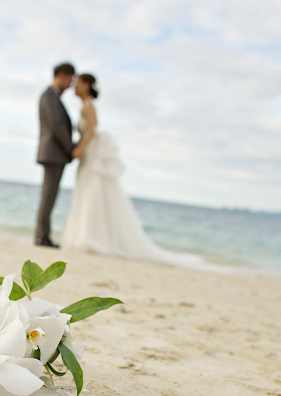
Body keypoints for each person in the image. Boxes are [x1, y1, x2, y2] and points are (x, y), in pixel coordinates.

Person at [61, 73, 190, 264]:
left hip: (90, 156)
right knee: (86, 194)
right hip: (88, 157)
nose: (74, 87)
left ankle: (88, 237)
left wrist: (78, 149)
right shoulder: (85, 106)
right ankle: (83, 236)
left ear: (87, 85)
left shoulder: (89, 106)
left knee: (91, 194)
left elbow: (92, 131)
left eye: (77, 83)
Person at [35, 62, 76, 248]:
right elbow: (57, 126)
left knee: (49, 194)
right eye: (70, 80)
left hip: (54, 153)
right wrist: (71, 148)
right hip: (53, 153)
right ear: (61, 75)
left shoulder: (53, 97)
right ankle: (42, 236)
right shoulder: (49, 96)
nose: (70, 85)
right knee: (48, 195)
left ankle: (43, 234)